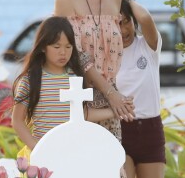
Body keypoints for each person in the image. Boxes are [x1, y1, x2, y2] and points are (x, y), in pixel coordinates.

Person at [53, 0, 133, 178]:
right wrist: (109, 93)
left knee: (111, 170)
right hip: (80, 96)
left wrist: (117, 96)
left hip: (112, 96)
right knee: (79, 170)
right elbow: (75, 53)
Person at [12, 16, 117, 156]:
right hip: (45, 154)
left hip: (73, 153)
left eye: (68, 46)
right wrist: (37, 148)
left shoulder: (76, 77)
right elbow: (17, 120)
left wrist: (115, 112)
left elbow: (82, 114)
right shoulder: (31, 80)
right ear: (43, 47)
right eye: (56, 47)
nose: (63, 52)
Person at [116, 0, 166, 178]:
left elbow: (145, 17)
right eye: (115, 24)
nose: (123, 29)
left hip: (151, 131)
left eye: (125, 21)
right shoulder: (106, 55)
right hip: (120, 131)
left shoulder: (148, 46)